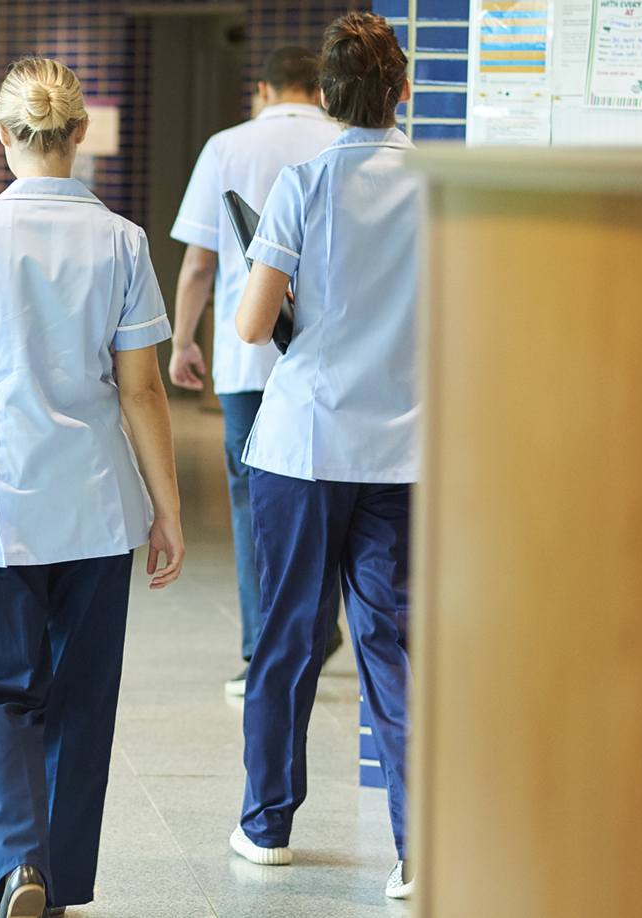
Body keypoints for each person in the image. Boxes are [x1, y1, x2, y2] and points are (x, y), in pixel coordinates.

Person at [0, 58, 185, 918]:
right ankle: (58, 883)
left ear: (3, 138)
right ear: (80, 136)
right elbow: (141, 389)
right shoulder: (123, 242)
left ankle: (18, 866)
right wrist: (166, 510)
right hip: (96, 506)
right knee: (79, 698)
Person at [226, 12, 419, 900]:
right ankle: (417, 849)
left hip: (302, 450)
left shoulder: (304, 183)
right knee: (394, 645)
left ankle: (267, 826)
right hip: (403, 451)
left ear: (330, 99)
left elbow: (253, 324)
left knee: (287, 640)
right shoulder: (439, 187)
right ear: (402, 90)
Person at [166, 46, 345, 697]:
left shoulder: (226, 146)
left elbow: (198, 264)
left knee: (251, 500)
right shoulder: (345, 140)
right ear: (318, 90)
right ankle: (318, 624)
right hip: (328, 357)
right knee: (326, 493)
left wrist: (183, 341)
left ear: (263, 89)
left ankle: (259, 647)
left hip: (247, 359)